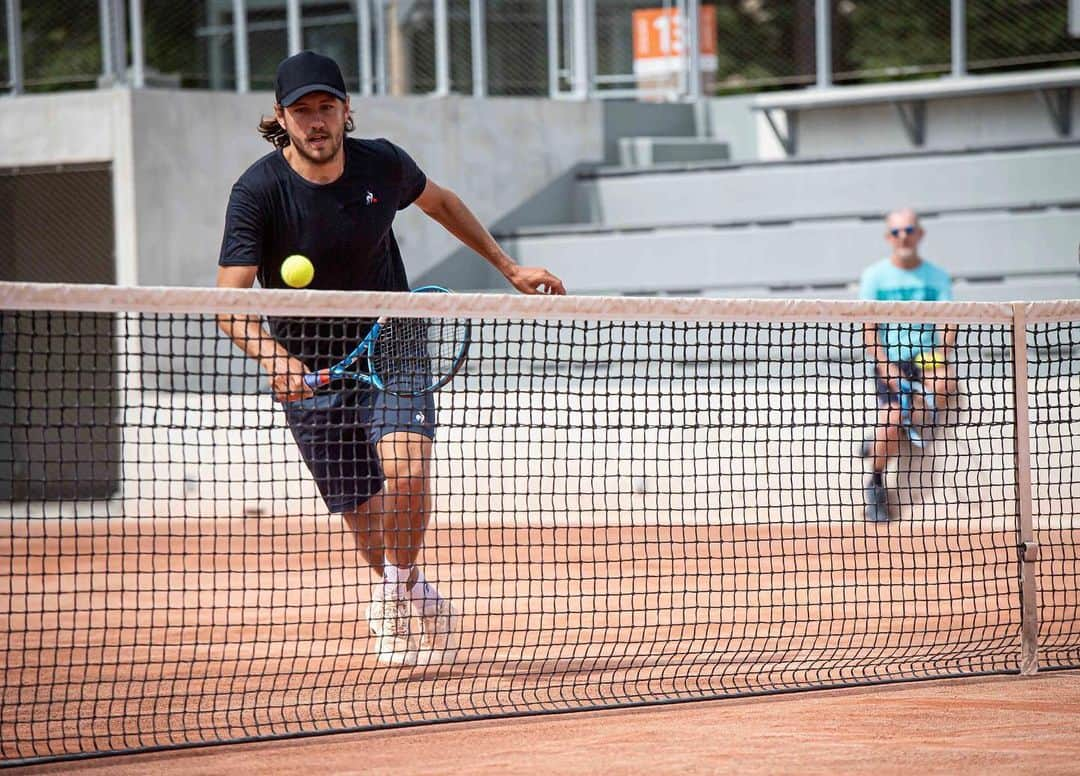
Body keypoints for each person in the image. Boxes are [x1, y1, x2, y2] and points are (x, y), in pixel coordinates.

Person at [216, 50, 566, 667]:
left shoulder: (382, 162)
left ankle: (394, 598)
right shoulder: (258, 192)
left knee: (406, 473)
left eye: (327, 107)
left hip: (390, 337)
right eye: (303, 111)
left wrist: (509, 267)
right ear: (282, 118)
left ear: (347, 111)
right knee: (364, 515)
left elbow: (441, 202)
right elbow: (227, 300)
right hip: (309, 363)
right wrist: (273, 359)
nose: (316, 121)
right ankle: (405, 587)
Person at [858, 208, 956, 523]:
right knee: (889, 422)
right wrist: (886, 366)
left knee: (944, 382)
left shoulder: (937, 276)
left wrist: (940, 355)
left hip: (926, 357)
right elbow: (868, 332)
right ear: (889, 238)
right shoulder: (874, 276)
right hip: (892, 359)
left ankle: (881, 437)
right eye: (898, 232)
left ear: (920, 234)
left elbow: (949, 321)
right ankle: (875, 484)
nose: (904, 237)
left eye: (909, 230)